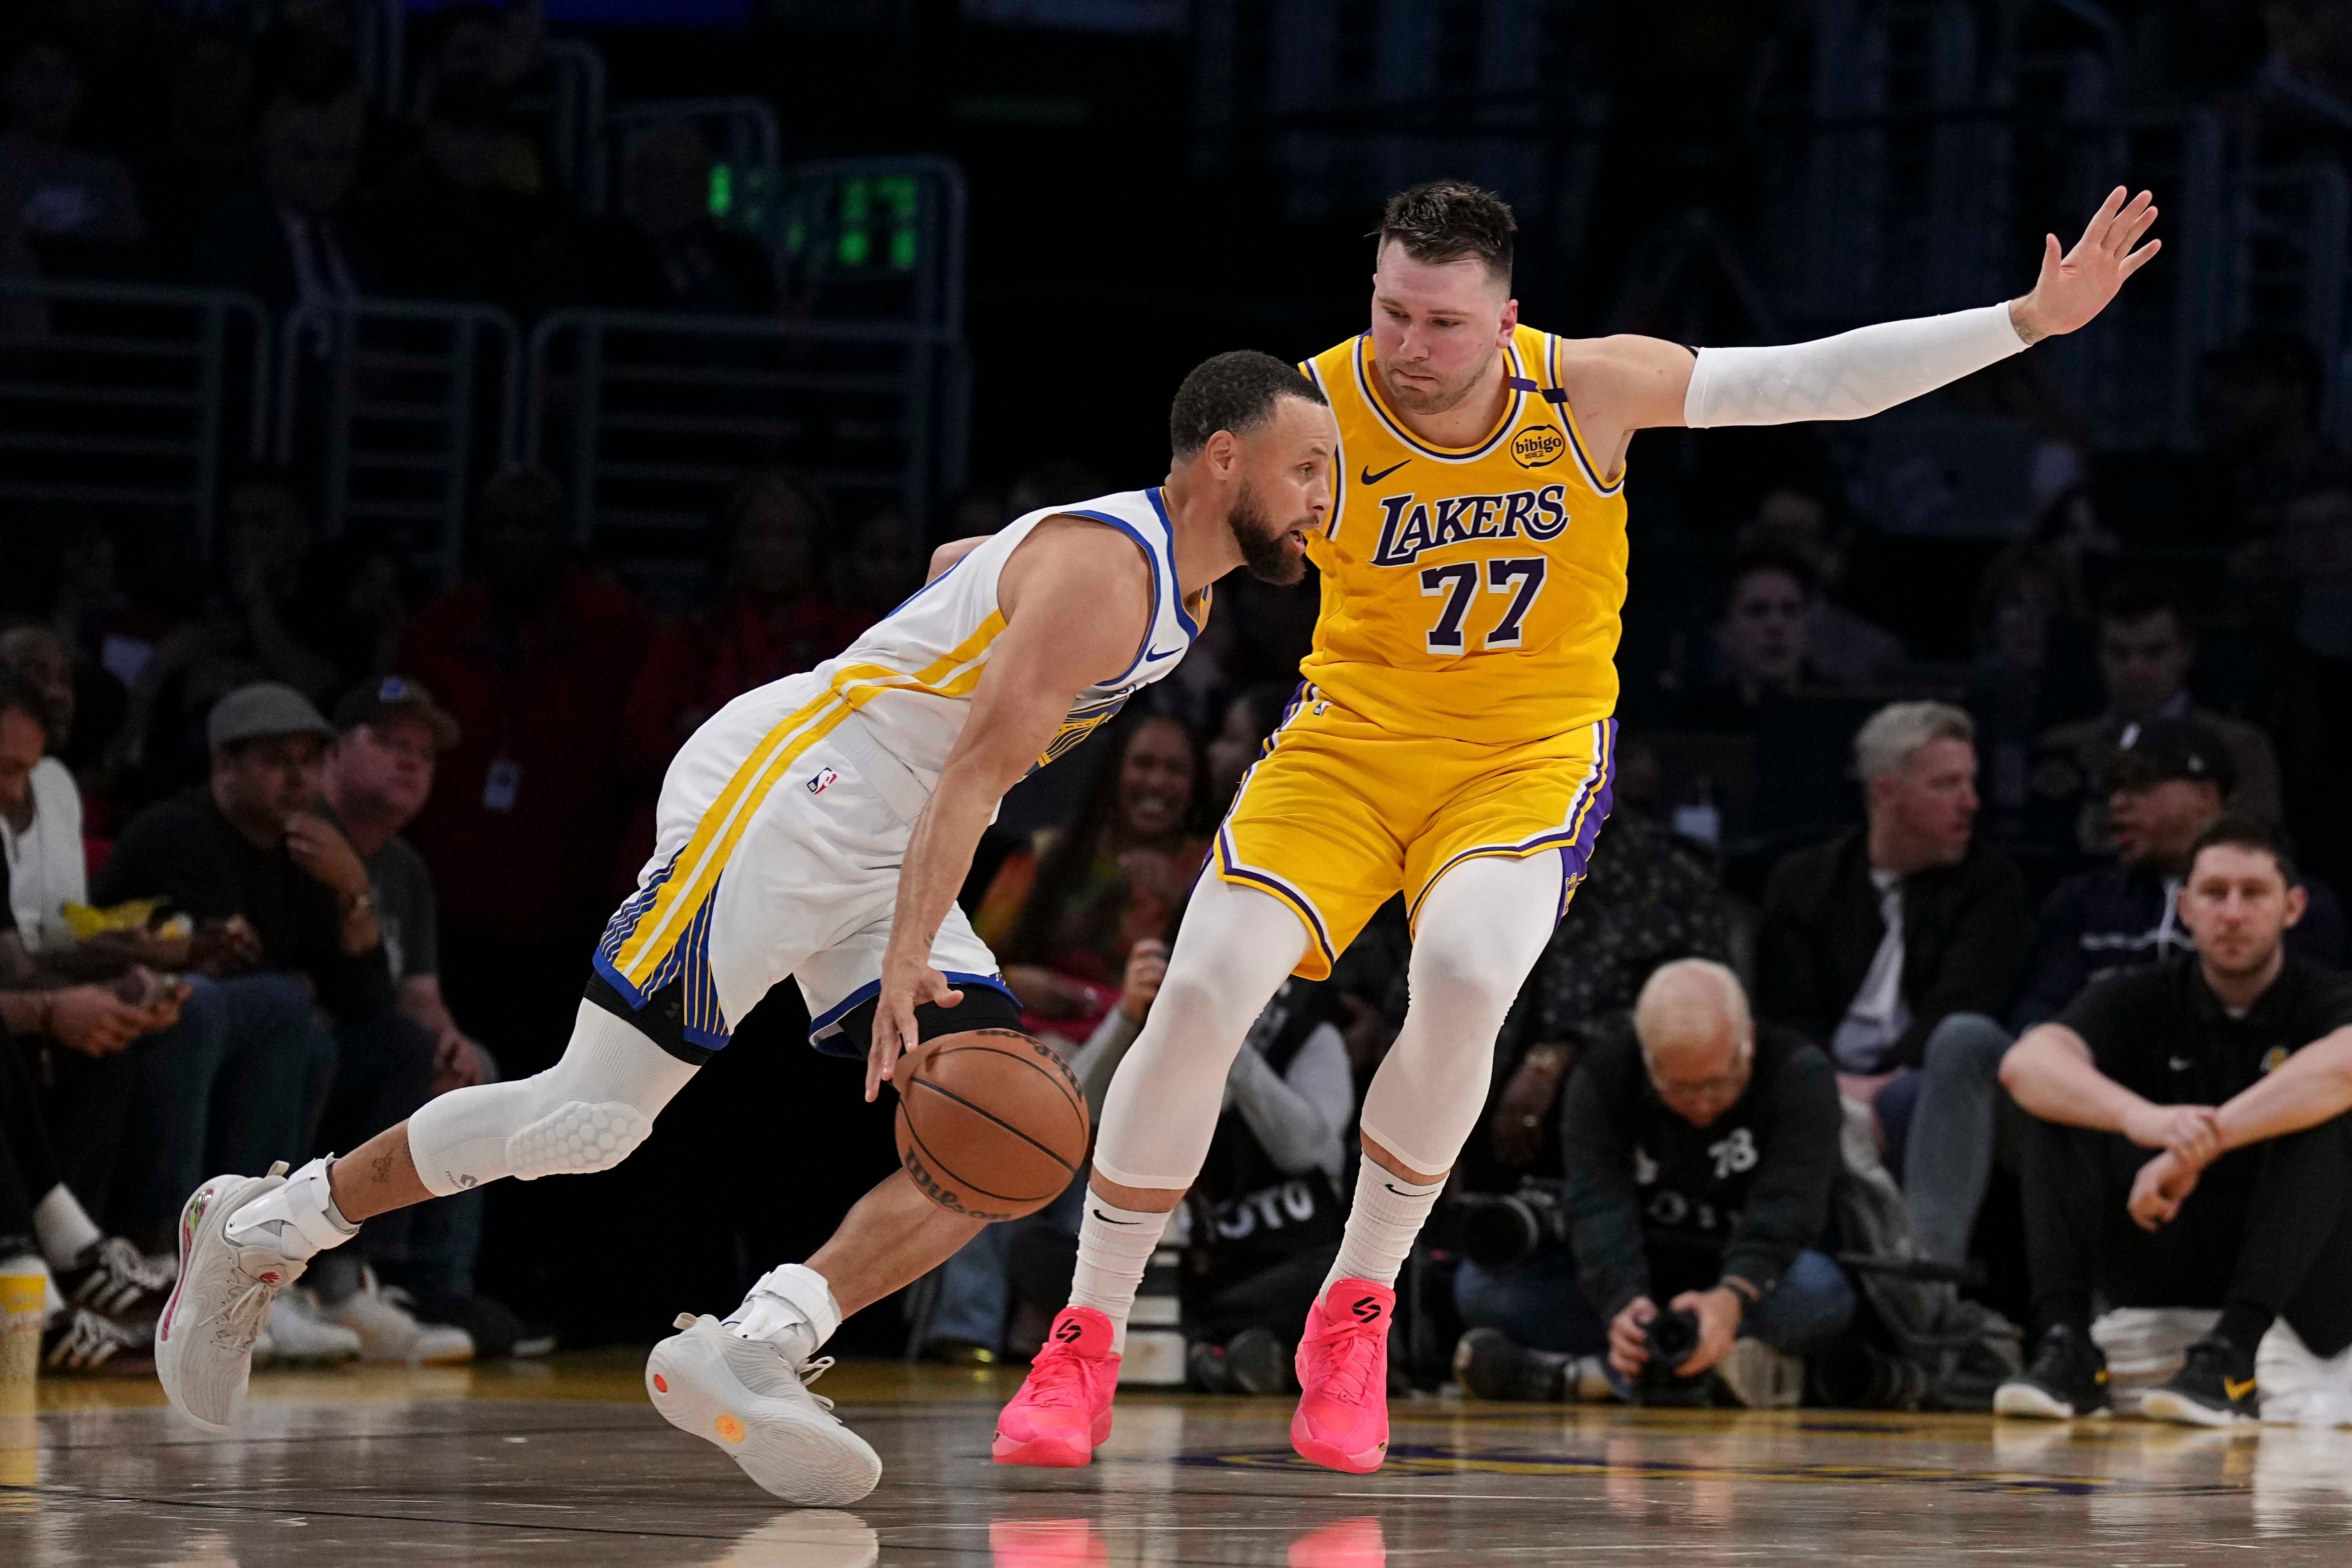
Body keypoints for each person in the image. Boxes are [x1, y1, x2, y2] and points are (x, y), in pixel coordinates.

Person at [999, 180, 2156, 1476]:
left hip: (1523, 756)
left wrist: (2024, 323)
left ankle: (1357, 1309)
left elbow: (1807, 382)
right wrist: (989, 597)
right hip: (1346, 746)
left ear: (1507, 319)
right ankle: (1085, 1332)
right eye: (1391, 311)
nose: (1408, 347)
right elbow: (1151, 547)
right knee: (1203, 989)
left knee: (1467, 973)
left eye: (1442, 322)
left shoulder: (1584, 390)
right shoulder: (1308, 410)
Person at [151, 351, 1337, 1509]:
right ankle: (264, 1227)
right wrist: (908, 950)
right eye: (1306, 471)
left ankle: (757, 1342)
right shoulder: (1111, 573)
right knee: (590, 1120)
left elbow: (957, 565)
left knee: (1010, 1136)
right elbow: (977, 773)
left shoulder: (1170, 590)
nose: (1322, 501)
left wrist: (952, 628)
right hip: (793, 789)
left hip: (887, 830)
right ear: (1222, 458)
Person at [1996, 817, 2352, 1425]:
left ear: (2293, 908)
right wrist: (2143, 1120)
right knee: (2057, 1108)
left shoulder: (2326, 998)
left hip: (2297, 1268)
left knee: (2327, 1118)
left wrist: (2195, 1148)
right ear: (2185, 908)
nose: (2233, 913)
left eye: (2254, 893)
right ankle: (2066, 1347)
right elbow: (2025, 1064)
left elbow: (2343, 1067)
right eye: (2215, 894)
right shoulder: (2141, 997)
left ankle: (2232, 1353)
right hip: (2167, 1236)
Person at [1454, 960, 1852, 1409]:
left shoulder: (1799, 1072)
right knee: (1480, 1287)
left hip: (1746, 1279)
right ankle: (1707, 1371)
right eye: (1680, 1088)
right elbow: (1597, 1206)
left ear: (1748, 1044)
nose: (1703, 1106)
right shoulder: (1602, 1076)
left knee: (1820, 1291)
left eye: (1720, 1084)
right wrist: (1622, 1305)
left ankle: (1587, 1376)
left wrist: (1731, 1298)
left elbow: (1791, 1205)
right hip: (1638, 1271)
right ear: (1649, 1061)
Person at [1755, 701, 2028, 1265]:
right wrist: (1828, 1082)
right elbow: (1785, 1013)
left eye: (1970, 783)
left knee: (1914, 1094)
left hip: (1924, 1079)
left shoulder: (1990, 885)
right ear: (1886, 792)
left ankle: (1924, 1278)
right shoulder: (1804, 882)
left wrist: (1874, 1088)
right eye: (1946, 785)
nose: (1970, 804)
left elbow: (1963, 1006)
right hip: (1821, 1074)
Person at [2014, 716, 2343, 1029]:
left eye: (2139, 784)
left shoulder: (2288, 903)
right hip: (2095, 1077)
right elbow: (2041, 1010)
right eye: (2114, 787)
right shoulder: (2080, 901)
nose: (2117, 802)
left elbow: (2311, 1024)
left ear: (2205, 797)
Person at [973, 712, 1209, 1042]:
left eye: (1175, 769)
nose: (1157, 781)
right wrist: (1011, 979)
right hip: (1019, 1033)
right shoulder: (1046, 853)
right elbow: (971, 964)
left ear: (1196, 782)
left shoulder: (1211, 871)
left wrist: (1178, 902)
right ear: (1114, 771)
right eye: (1143, 763)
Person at [2035, 577, 2283, 853]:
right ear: (2099, 655)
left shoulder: (2239, 745)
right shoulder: (2061, 747)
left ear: (2185, 652)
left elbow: (2254, 848)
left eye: (2154, 652)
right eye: (2119, 653)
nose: (2136, 668)